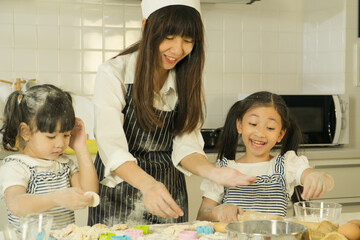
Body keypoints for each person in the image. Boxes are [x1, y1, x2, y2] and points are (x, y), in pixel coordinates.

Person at [88, 0, 256, 226]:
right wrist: (147, 185)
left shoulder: (185, 78)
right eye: (169, 38)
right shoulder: (113, 73)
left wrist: (213, 173)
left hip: (169, 192)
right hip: (118, 194)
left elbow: (187, 145)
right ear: (146, 26)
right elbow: (111, 146)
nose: (178, 50)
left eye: (188, 41)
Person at [197, 91, 335, 222]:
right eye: (252, 124)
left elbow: (324, 178)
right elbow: (202, 215)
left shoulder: (286, 165)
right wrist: (218, 211)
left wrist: (317, 177)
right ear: (239, 126)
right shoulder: (223, 171)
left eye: (270, 128)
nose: (260, 133)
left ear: (280, 134)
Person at [0, 84, 99, 230]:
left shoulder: (65, 164)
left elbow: (89, 193)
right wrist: (56, 199)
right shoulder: (16, 166)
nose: (60, 144)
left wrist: (80, 147)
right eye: (51, 137)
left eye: (66, 135)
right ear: (25, 131)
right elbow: (16, 205)